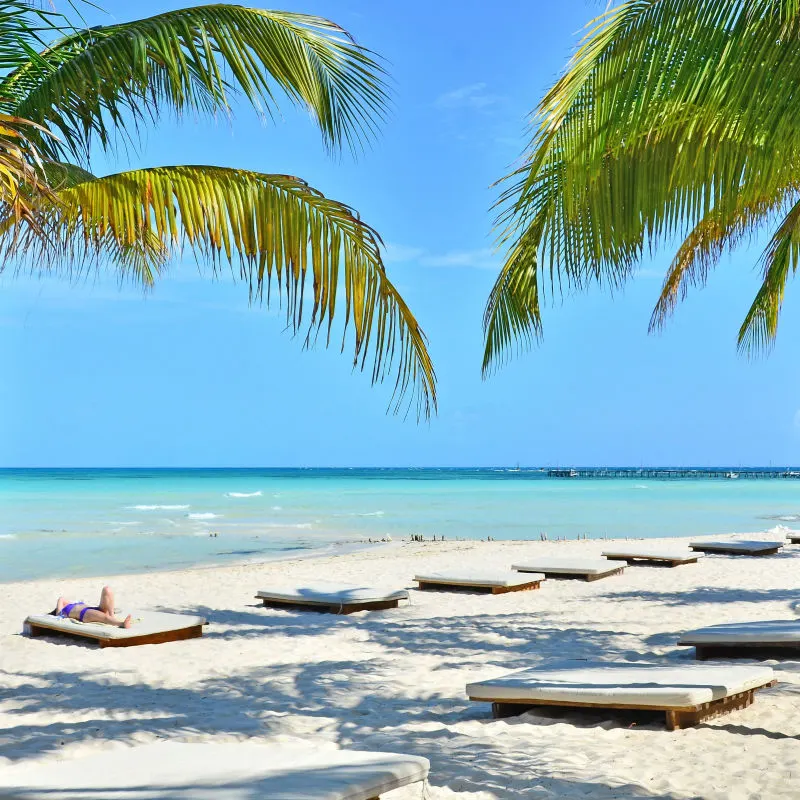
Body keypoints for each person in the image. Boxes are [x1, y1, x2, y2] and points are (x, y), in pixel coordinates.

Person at [51, 586, 132, 628]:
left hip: (92, 609)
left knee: (107, 590)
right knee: (105, 617)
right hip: (84, 614)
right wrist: (58, 609)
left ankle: (112, 616)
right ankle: (121, 624)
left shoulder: (71, 605)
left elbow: (65, 601)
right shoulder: (62, 611)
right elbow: (61, 599)